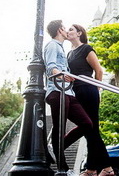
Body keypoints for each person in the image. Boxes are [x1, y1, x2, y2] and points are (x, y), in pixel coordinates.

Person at [44, 20, 94, 176]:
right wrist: (62, 75)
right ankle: (63, 169)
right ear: (60, 30)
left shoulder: (61, 48)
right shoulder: (52, 45)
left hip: (68, 93)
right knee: (59, 127)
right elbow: (51, 66)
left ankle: (57, 146)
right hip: (57, 91)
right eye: (65, 28)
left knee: (87, 124)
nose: (66, 31)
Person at [65, 24, 114, 176]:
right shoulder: (69, 53)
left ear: (79, 33)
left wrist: (97, 89)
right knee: (89, 129)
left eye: (71, 29)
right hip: (77, 91)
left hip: (88, 89)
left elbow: (98, 70)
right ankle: (94, 169)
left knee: (91, 129)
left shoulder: (86, 48)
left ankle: (103, 168)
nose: (68, 31)